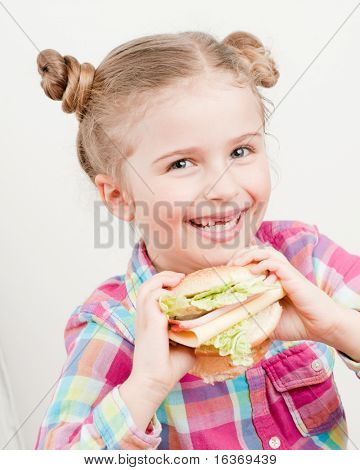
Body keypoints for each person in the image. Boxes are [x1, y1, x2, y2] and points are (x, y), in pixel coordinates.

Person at [34, 31, 360, 450]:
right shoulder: (114, 324)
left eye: (241, 152)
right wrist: (146, 386)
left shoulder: (306, 257)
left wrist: (336, 325)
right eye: (182, 163)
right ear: (119, 196)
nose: (223, 188)